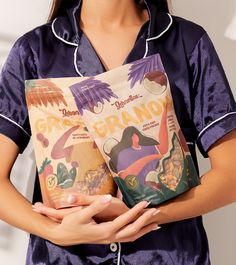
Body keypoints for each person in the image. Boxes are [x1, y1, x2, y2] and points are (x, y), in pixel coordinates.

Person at [0, 0, 235, 264]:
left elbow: (231, 173)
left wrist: (147, 215)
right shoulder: (35, 51)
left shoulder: (186, 43)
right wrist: (54, 231)